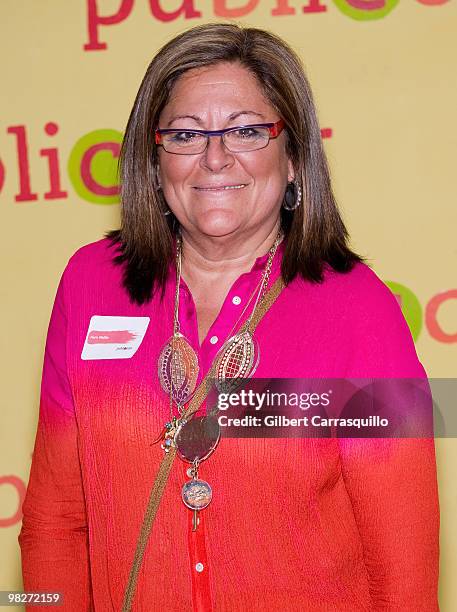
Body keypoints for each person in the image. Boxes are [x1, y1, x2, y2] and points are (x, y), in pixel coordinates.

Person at [19, 23, 439, 611]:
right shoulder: (91, 284)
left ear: (292, 157)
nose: (215, 158)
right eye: (186, 135)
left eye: (246, 130)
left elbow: (403, 570)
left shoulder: (358, 308)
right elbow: (55, 525)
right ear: (153, 157)